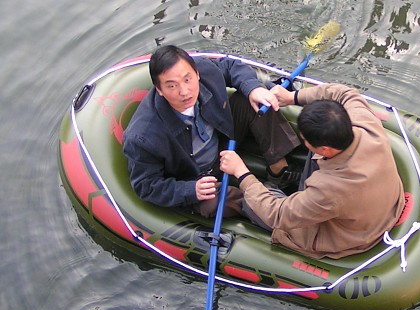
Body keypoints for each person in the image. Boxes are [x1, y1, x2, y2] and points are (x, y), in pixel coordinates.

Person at [219, 83, 405, 259]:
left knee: (253, 205)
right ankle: (283, 178)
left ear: (325, 149)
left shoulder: (329, 190)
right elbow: (343, 93)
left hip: (348, 234)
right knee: (311, 166)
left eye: (305, 139)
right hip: (371, 206)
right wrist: (293, 97)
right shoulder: (364, 122)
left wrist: (242, 173)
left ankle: (242, 200)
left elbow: (278, 215)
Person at [123, 45, 301, 217]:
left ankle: (279, 172)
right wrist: (190, 190)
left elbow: (231, 66)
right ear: (159, 90)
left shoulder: (205, 69)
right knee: (212, 204)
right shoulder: (142, 137)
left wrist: (253, 87)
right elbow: (146, 185)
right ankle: (266, 207)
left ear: (197, 74)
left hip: (223, 143)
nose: (184, 91)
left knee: (256, 100)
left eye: (188, 80)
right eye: (171, 86)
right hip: (195, 176)